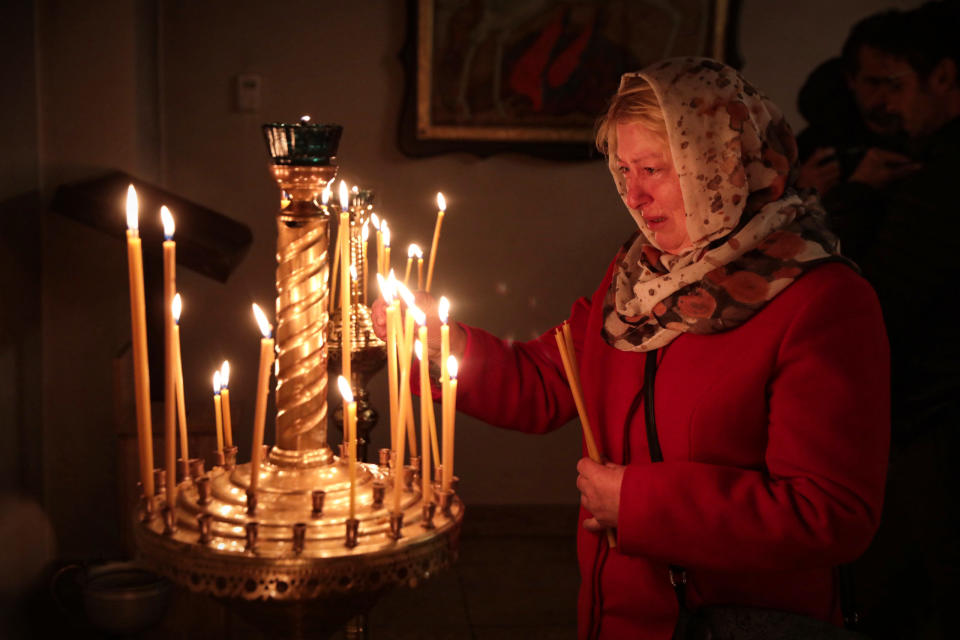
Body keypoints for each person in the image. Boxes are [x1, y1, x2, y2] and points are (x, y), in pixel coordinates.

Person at [376, 58, 890, 639]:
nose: (635, 197)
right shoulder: (640, 279)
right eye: (624, 171)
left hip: (734, 621)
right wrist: (426, 341)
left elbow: (830, 514)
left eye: (653, 169)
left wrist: (640, 503)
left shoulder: (822, 299)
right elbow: (547, 382)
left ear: (722, 163)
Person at [819, 3, 960, 637]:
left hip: (932, 428)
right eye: (866, 85)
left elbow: (872, 303)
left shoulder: (939, 178)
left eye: (892, 84)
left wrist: (848, 200)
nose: (878, 103)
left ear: (945, 78)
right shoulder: (897, 154)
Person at [795, 10, 916, 200]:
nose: (887, 98)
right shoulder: (815, 147)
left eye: (896, 84)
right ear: (851, 79)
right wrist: (801, 195)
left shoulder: (931, 135)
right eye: (874, 83)